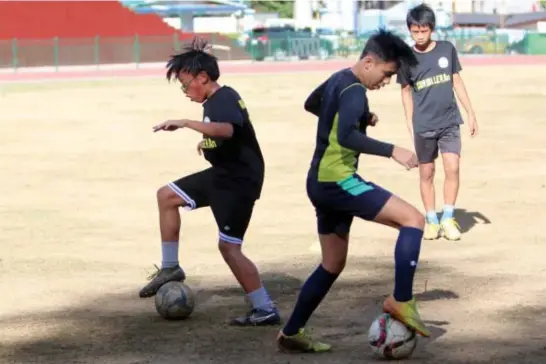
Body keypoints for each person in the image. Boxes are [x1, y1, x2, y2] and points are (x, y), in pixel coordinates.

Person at [276, 29, 431, 354]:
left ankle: (291, 332)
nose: (386, 81)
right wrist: (393, 150)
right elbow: (346, 136)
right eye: (387, 74)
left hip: (319, 181)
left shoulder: (339, 79)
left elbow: (312, 103)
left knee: (332, 264)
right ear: (369, 61)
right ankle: (401, 300)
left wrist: (358, 116)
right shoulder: (356, 90)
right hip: (338, 180)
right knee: (413, 220)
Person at [139, 37, 280, 326]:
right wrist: (208, 145)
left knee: (229, 248)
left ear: (203, 78)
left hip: (237, 183)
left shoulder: (224, 97)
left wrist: (187, 123)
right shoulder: (214, 101)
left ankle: (264, 309)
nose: (184, 91)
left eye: (184, 83)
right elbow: (225, 136)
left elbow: (227, 130)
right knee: (166, 196)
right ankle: (170, 268)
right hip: (223, 176)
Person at [398, 4, 478, 241]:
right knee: (427, 172)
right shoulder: (406, 59)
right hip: (424, 125)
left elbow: (456, 80)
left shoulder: (446, 50)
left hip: (449, 121)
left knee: (452, 167)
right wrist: (409, 120)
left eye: (424, 31)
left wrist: (471, 112)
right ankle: (432, 219)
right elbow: (405, 91)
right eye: (415, 32)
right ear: (410, 31)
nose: (420, 36)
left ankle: (448, 218)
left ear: (431, 28)